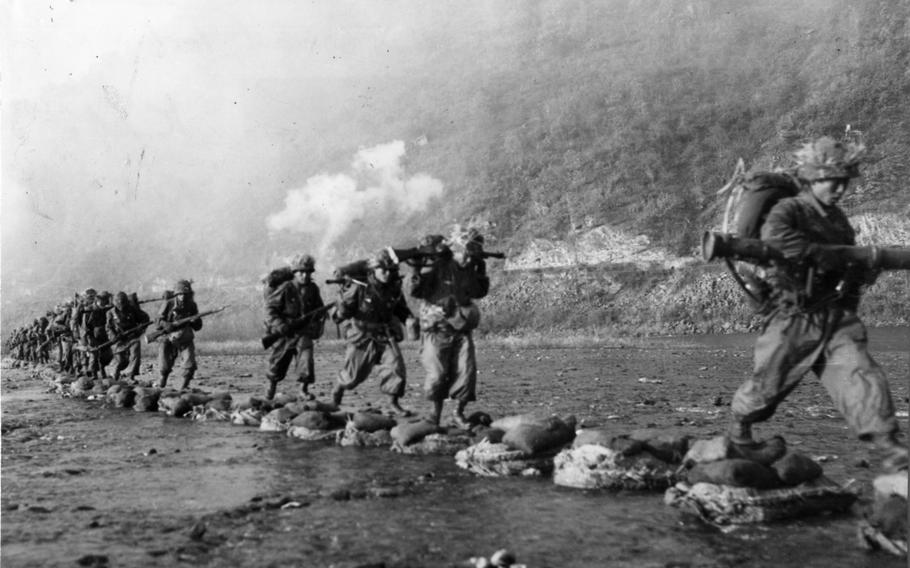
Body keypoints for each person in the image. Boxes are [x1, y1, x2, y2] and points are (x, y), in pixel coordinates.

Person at [727, 136, 907, 472]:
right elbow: (779, 243)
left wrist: (861, 272)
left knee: (862, 375)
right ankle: (740, 431)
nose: (839, 189)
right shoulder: (788, 210)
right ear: (812, 179)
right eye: (832, 182)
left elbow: (850, 266)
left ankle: (889, 447)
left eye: (843, 183)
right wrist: (830, 257)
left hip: (835, 315)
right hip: (793, 314)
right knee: (768, 386)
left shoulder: (838, 221)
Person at [410, 231, 490, 427]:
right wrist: (418, 271)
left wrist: (480, 268)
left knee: (466, 372)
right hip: (436, 329)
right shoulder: (437, 267)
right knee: (437, 374)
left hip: (461, 330)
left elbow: (479, 292)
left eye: (471, 255)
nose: (468, 257)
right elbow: (416, 291)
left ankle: (458, 413)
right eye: (465, 253)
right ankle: (434, 415)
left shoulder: (469, 269)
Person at [332, 249, 413, 414]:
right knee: (353, 376)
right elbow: (341, 314)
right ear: (373, 270)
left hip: (385, 334)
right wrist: (343, 307)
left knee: (396, 366)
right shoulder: (359, 287)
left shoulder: (394, 287)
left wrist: (409, 319)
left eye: (390, 270)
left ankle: (393, 402)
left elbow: (400, 309)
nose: (387, 273)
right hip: (362, 336)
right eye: (383, 269)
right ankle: (337, 392)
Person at [263, 254, 326, 400]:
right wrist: (279, 325)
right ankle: (271, 388)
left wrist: (318, 317)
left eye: (308, 272)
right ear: (295, 273)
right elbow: (270, 309)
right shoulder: (286, 288)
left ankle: (303, 390)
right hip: (285, 331)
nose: (305, 275)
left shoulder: (313, 289)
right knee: (278, 362)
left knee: (306, 359)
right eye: (301, 272)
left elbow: (319, 307)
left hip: (303, 332)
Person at [155, 280, 201, 390]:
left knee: (189, 364)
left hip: (185, 337)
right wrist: (166, 324)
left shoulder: (192, 305)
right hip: (168, 337)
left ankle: (183, 387)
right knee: (164, 364)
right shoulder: (168, 303)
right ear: (176, 294)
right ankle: (163, 378)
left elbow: (198, 327)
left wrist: (195, 321)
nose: (183, 297)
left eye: (185, 294)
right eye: (180, 294)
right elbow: (157, 321)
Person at [106, 292, 148, 382]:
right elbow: (109, 327)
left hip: (132, 337)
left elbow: (145, 318)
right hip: (119, 339)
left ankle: (131, 376)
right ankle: (116, 373)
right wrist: (113, 336)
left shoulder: (132, 309)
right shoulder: (110, 313)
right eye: (119, 303)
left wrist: (141, 328)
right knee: (121, 361)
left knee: (135, 353)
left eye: (123, 303)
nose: (121, 305)